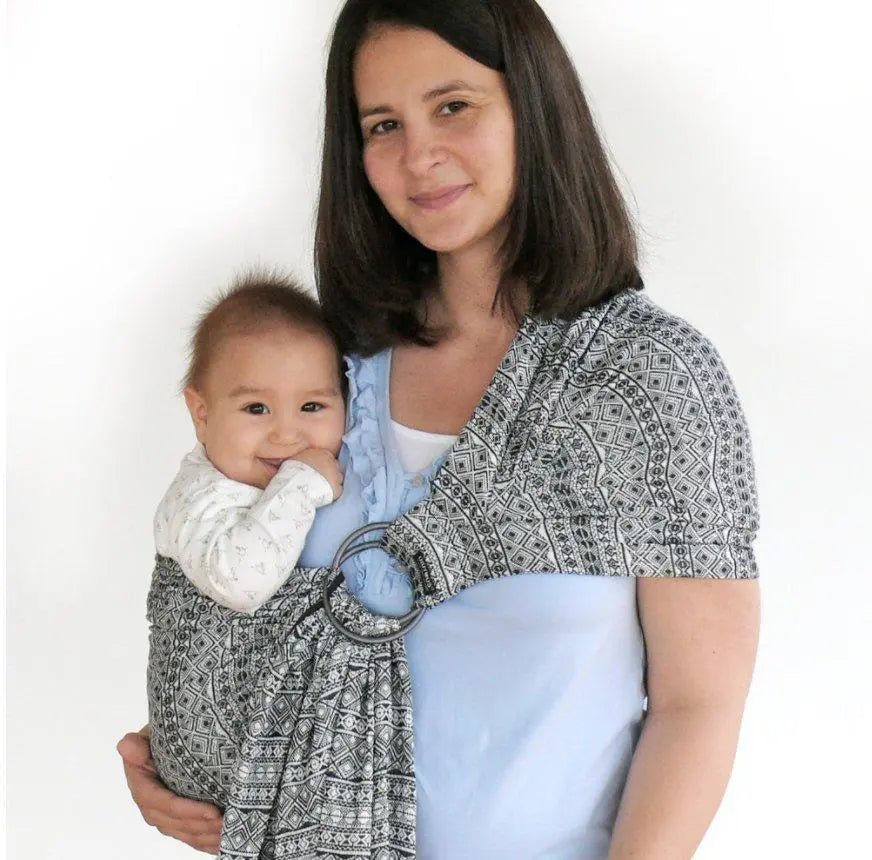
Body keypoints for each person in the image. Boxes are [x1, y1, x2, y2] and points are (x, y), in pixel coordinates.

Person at [119, 2, 760, 857]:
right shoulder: (315, 375)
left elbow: (697, 706)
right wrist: (182, 764)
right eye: (383, 125)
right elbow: (218, 596)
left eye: (453, 106)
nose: (418, 156)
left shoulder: (643, 383)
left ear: (532, 105)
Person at [153, 273, 345, 614]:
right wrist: (300, 486)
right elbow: (241, 583)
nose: (286, 435)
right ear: (202, 416)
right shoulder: (199, 500)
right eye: (257, 408)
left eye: (311, 406)